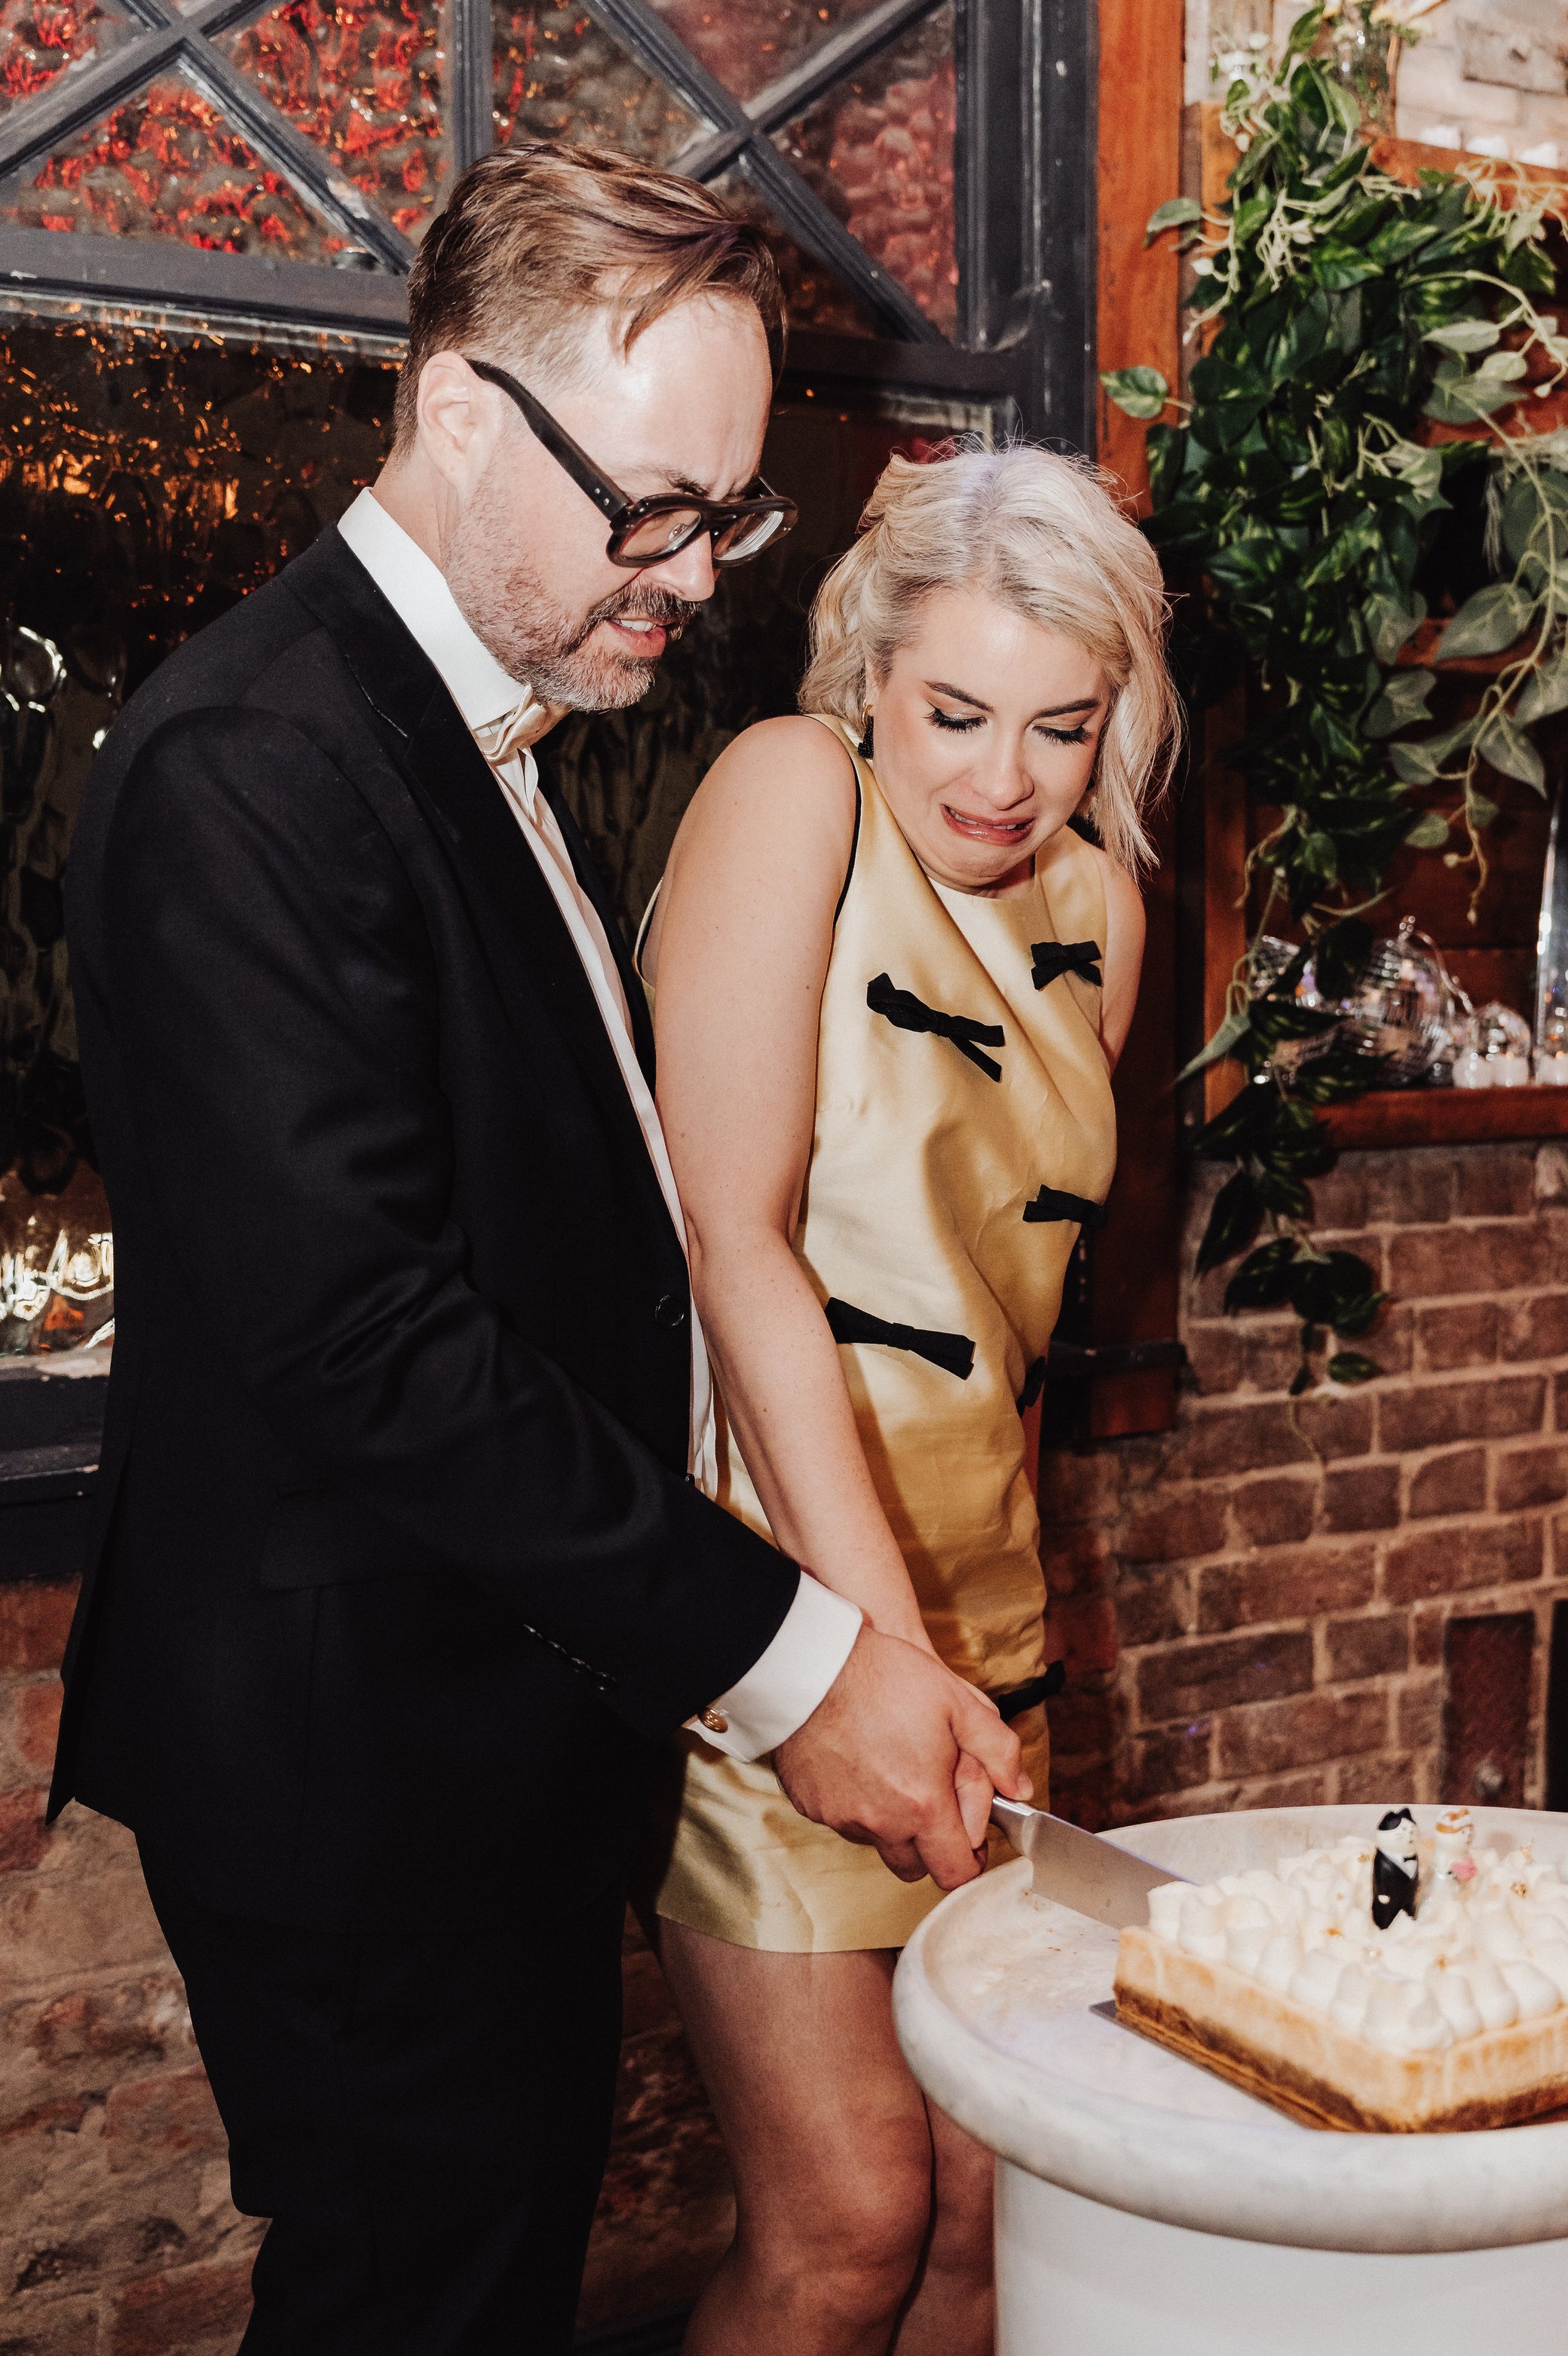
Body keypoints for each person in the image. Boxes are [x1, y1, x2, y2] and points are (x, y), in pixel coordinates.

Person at [52, 147, 1021, 2355]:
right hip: (357, 1762)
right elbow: (366, 1341)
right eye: (652, 508)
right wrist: (789, 1662)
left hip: (477, 1726)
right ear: (458, 411)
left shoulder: (468, 722)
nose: (688, 577)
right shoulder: (252, 758)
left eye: (725, 517)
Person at [639, 443, 1181, 2356]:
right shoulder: (791, 793)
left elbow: (1006, 1323)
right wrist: (866, 1660)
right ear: (868, 666)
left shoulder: (1101, 911)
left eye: (1060, 726)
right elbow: (734, 1247)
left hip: (988, 1631)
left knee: (984, 2223)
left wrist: (984, 1661)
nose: (1000, 778)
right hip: (778, 1621)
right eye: (953, 711)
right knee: (850, 2222)